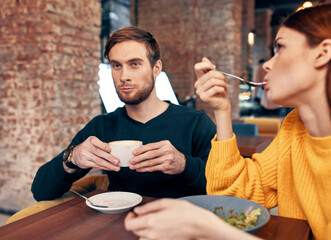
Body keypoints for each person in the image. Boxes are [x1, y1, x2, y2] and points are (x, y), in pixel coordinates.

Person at [124, 2, 331, 240]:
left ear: (322, 53)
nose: (267, 64)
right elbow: (238, 192)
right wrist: (222, 110)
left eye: (280, 48)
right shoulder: (294, 127)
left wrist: (208, 229)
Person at [31, 26, 216, 200]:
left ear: (156, 68)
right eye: (116, 65)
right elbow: (40, 192)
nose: (124, 76)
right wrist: (72, 159)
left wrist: (184, 165)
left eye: (134, 64)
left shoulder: (196, 123)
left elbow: (224, 190)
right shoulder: (102, 126)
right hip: (118, 226)